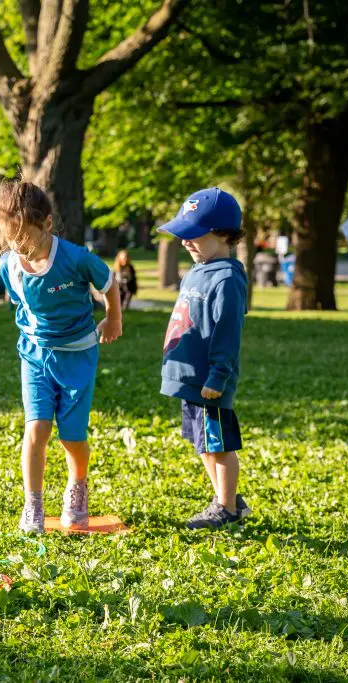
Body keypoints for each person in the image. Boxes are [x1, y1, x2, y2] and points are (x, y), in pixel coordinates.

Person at [0, 181, 123, 534]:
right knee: (37, 428)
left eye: (25, 238)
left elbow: (109, 285)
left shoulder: (76, 258)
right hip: (34, 355)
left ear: (46, 224)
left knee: (71, 437)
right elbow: (21, 302)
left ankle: (77, 485)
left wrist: (113, 318)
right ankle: (33, 502)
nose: (19, 247)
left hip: (77, 356)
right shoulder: (9, 265)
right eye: (11, 240)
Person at [158, 187, 251, 529]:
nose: (185, 242)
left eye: (193, 235)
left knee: (219, 444)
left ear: (222, 234)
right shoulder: (198, 271)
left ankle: (225, 509)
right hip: (190, 378)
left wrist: (218, 376)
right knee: (203, 444)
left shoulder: (227, 279)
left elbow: (228, 332)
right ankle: (226, 499)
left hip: (210, 381)